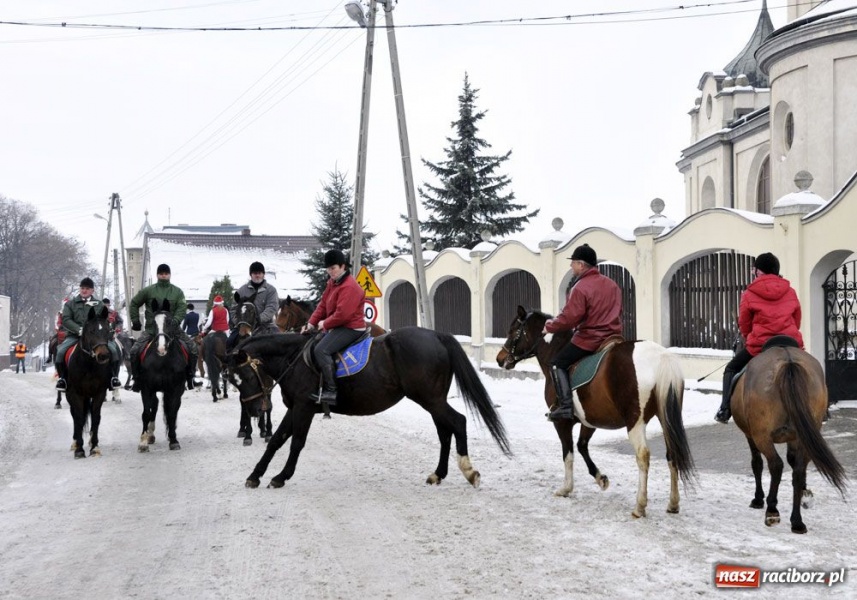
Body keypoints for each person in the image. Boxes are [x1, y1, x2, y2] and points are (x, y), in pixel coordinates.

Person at [715, 252, 804, 423]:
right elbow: (797, 319)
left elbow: (744, 323)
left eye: (754, 269)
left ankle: (725, 409)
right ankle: (823, 408)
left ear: (759, 271)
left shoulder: (749, 293)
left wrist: (750, 337)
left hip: (761, 345)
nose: (753, 272)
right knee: (811, 367)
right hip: (790, 342)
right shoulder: (790, 291)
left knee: (731, 368)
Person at [541, 244, 623, 422]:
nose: (571, 266)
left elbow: (570, 318)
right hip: (613, 338)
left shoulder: (580, 287)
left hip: (590, 339)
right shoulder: (612, 284)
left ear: (581, 264)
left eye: (573, 263)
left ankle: (565, 406)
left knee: (556, 364)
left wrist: (550, 326)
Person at [299, 249, 366, 405]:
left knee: (321, 350)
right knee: (312, 342)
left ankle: (331, 391)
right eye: (328, 269)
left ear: (343, 266)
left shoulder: (350, 286)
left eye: (333, 268)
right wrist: (311, 323)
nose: (330, 272)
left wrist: (325, 323)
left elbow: (343, 315)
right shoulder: (332, 283)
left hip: (351, 327)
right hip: (339, 326)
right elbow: (322, 305)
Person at [127, 263, 200, 392]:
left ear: (169, 275)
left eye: (166, 274)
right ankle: (137, 379)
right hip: (152, 330)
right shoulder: (148, 291)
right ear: (157, 275)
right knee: (134, 351)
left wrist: (175, 321)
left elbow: (181, 308)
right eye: (161, 274)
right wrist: (135, 320)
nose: (164, 276)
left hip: (174, 329)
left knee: (193, 348)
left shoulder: (177, 292)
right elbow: (134, 303)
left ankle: (190, 377)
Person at [55, 277, 123, 391]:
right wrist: (79, 329)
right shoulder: (70, 304)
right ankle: (62, 379)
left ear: (92, 290)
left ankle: (113, 377)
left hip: (96, 337)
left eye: (87, 288)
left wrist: (107, 330)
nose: (84, 290)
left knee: (114, 351)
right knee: (60, 352)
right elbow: (66, 320)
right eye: (82, 288)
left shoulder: (99, 304)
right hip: (75, 336)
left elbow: (104, 320)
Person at [226, 261, 280, 350]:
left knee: (279, 344)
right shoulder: (241, 291)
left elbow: (272, 307)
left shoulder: (271, 290)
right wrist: (239, 322)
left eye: (259, 273)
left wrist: (258, 319)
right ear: (251, 275)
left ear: (263, 275)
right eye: (255, 273)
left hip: (266, 325)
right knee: (229, 342)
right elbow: (233, 309)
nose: (257, 275)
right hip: (244, 325)